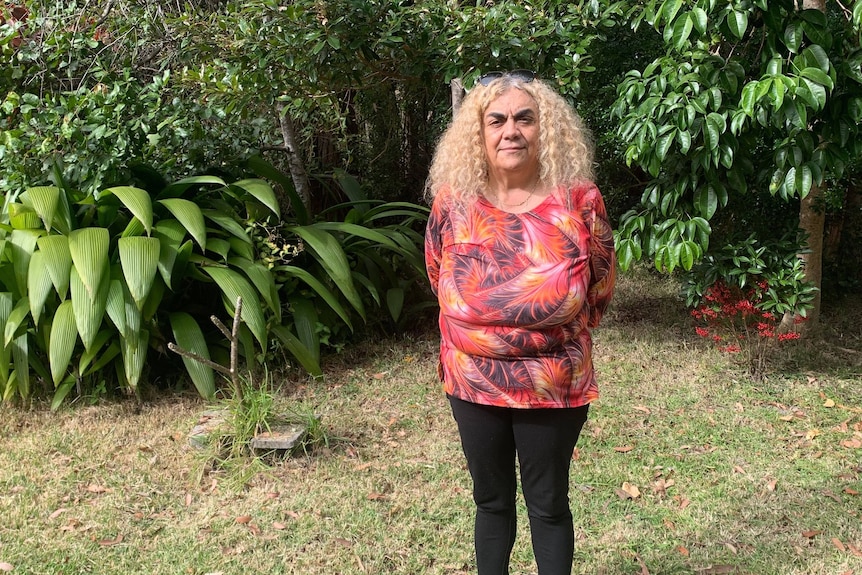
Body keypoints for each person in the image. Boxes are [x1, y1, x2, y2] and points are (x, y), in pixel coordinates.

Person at [423, 70, 616, 575]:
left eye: (524, 119)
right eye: (497, 120)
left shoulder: (579, 201)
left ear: (544, 129)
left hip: (551, 383)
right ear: (479, 133)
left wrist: (550, 336)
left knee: (547, 503)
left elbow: (600, 285)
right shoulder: (453, 202)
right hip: (472, 381)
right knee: (490, 502)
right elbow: (436, 272)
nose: (511, 131)